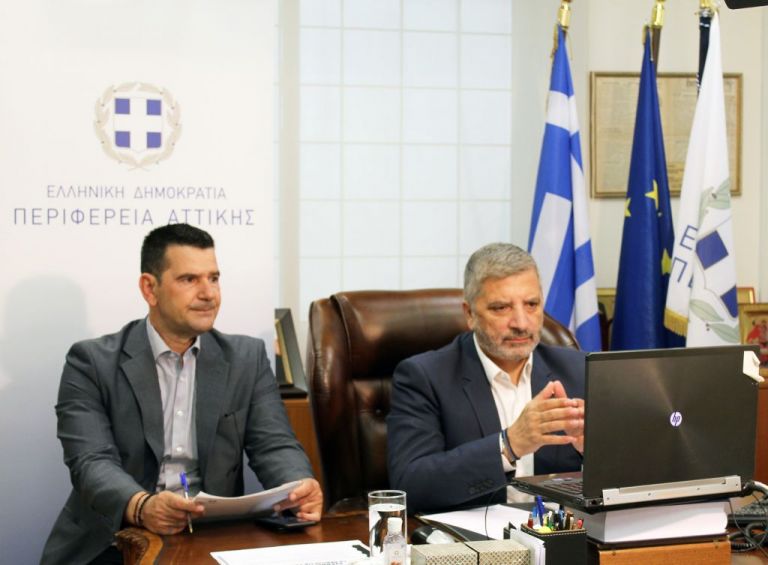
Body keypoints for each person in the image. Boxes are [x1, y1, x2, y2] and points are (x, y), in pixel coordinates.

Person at [41, 223, 322, 564]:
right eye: (189, 279)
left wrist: (298, 486)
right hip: (116, 539)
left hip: (213, 536)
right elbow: (90, 461)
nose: (208, 293)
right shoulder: (91, 362)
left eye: (214, 278)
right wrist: (142, 506)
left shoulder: (245, 358)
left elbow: (274, 444)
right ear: (150, 288)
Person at [387, 243, 585, 512]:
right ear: (469, 314)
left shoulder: (577, 369)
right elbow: (411, 485)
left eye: (531, 304)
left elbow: (628, 477)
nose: (521, 323)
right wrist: (508, 445)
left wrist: (593, 452)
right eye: (501, 308)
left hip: (561, 531)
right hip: (475, 534)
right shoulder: (424, 377)